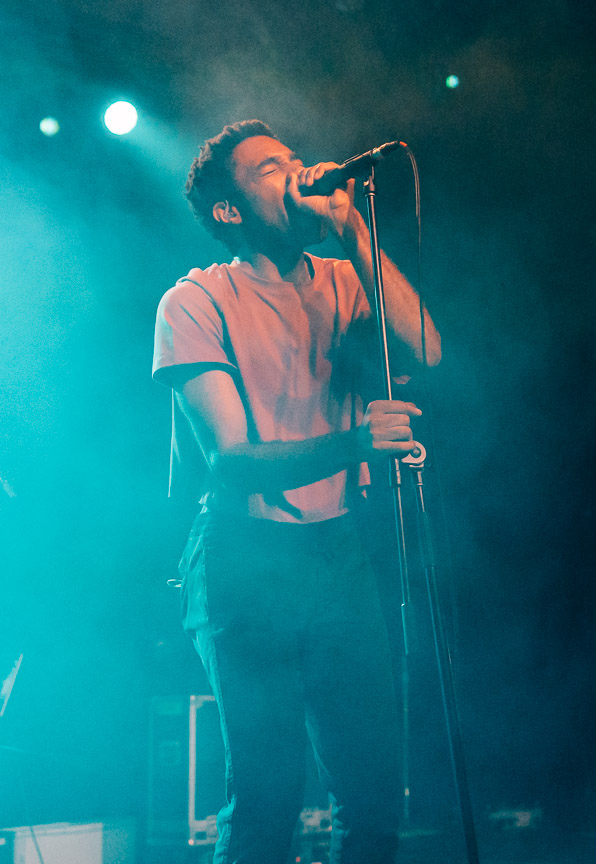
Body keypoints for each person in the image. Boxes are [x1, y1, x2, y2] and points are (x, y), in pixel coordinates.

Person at [152, 120, 440, 864]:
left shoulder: (345, 279)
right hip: (242, 556)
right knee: (267, 794)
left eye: (293, 159)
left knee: (373, 794)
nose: (297, 173)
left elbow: (427, 348)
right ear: (229, 210)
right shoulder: (194, 301)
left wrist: (354, 232)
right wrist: (354, 444)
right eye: (270, 169)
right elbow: (231, 461)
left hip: (338, 550)